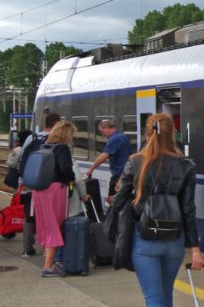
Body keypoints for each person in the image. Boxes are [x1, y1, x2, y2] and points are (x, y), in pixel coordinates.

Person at [111, 112, 203, 307]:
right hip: (174, 241)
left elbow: (120, 200)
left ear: (148, 131)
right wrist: (195, 248)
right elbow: (189, 210)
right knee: (165, 295)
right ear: (172, 131)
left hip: (144, 239)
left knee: (153, 299)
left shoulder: (135, 162)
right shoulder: (186, 165)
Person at [34, 119, 76, 277]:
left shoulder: (44, 146)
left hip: (40, 190)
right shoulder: (62, 149)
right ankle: (48, 266)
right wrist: (70, 179)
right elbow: (65, 168)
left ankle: (49, 261)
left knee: (46, 225)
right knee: (54, 227)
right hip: (55, 190)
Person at [19, 113, 61, 257]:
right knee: (49, 215)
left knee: (30, 215)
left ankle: (27, 247)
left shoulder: (32, 138)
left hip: (32, 182)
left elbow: (23, 157)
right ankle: (47, 248)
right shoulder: (57, 140)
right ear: (56, 124)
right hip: (51, 183)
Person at [86, 119, 131, 202]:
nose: (102, 134)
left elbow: (104, 156)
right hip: (126, 173)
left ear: (107, 128)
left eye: (102, 132)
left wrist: (91, 168)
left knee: (111, 199)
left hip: (119, 175)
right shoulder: (123, 137)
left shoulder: (114, 139)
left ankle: (114, 214)